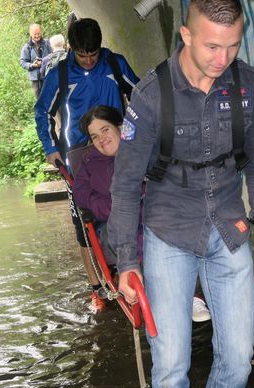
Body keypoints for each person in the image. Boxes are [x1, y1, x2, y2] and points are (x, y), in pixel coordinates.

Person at [107, 0, 254, 388]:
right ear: (185, 36)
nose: (222, 59)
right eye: (211, 47)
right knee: (170, 369)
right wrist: (127, 262)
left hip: (228, 227)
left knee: (239, 359)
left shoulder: (249, 87)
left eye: (232, 46)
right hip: (169, 232)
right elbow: (126, 185)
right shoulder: (150, 97)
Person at [34, 18, 140, 312]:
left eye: (94, 53)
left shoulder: (114, 64)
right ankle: (98, 288)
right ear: (71, 49)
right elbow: (42, 111)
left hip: (117, 147)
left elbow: (142, 97)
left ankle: (131, 271)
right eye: (83, 54)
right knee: (85, 222)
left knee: (130, 207)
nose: (90, 60)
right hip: (79, 153)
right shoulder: (61, 74)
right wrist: (50, 148)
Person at [74, 105, 211, 320]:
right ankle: (156, 293)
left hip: (153, 213)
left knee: (175, 228)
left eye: (105, 130)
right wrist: (110, 206)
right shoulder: (90, 161)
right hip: (115, 223)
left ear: (120, 127)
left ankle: (191, 295)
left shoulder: (145, 150)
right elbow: (81, 194)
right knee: (132, 233)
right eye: (94, 136)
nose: (101, 139)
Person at [20, 23, 52, 99]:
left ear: (41, 32)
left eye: (38, 33)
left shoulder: (47, 43)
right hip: (36, 80)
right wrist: (32, 65)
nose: (37, 36)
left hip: (49, 76)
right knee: (40, 102)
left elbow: (54, 55)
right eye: (35, 34)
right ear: (30, 33)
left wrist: (46, 61)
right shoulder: (27, 47)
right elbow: (22, 62)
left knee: (52, 100)